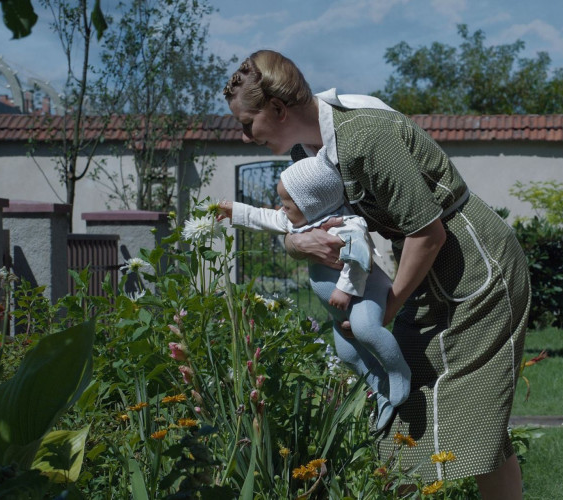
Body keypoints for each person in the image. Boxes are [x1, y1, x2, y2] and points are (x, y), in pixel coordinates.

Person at [222, 50, 531, 499]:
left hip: (476, 270)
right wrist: (295, 242)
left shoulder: (364, 137)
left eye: (247, 124)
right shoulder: (310, 150)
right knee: (404, 406)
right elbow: (302, 221)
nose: (245, 137)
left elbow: (429, 233)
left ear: (278, 109)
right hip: (428, 274)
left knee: (475, 422)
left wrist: (389, 306)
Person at [217, 148, 411, 431]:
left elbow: (360, 258)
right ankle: (379, 386)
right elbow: (264, 217)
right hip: (338, 309)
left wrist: (345, 290)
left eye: (287, 203)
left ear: (311, 203)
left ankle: (398, 372)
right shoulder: (300, 222)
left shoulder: (347, 225)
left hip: (364, 294)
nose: (282, 208)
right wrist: (234, 210)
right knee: (347, 354)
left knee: (367, 330)